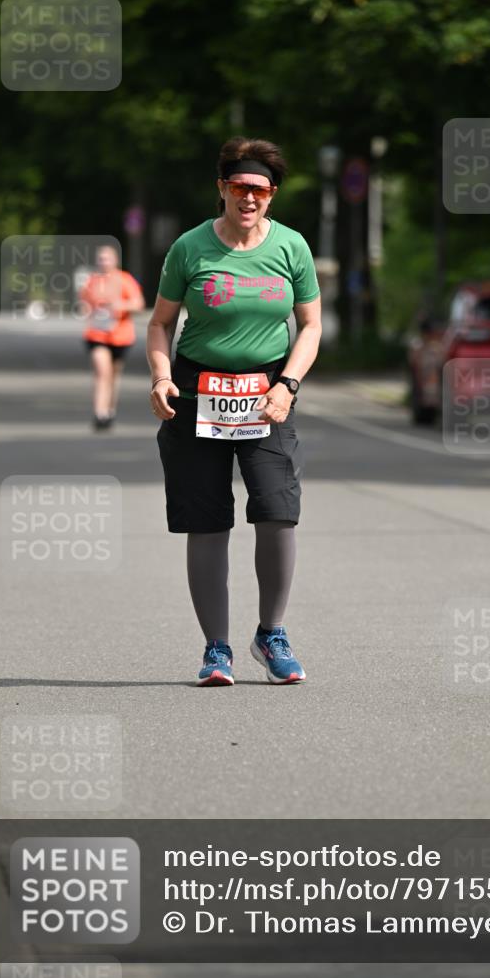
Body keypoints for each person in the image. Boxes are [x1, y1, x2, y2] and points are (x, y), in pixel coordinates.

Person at [147, 136, 322, 686]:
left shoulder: (291, 247)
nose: (250, 199)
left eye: (261, 191)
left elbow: (311, 326)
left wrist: (288, 384)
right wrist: (160, 377)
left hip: (268, 392)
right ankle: (216, 649)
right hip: (198, 390)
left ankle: (271, 634)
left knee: (276, 510)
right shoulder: (190, 248)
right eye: (241, 188)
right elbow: (158, 324)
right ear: (222, 189)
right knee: (207, 522)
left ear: (271, 197)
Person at [80, 244, 145, 429]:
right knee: (102, 372)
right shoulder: (92, 281)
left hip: (121, 336)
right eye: (101, 258)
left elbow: (138, 304)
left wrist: (119, 306)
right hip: (96, 334)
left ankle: (109, 410)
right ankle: (99, 413)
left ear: (115, 260)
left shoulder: (125, 280)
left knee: (114, 376)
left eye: (107, 258)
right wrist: (88, 310)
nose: (104, 262)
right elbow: (84, 304)